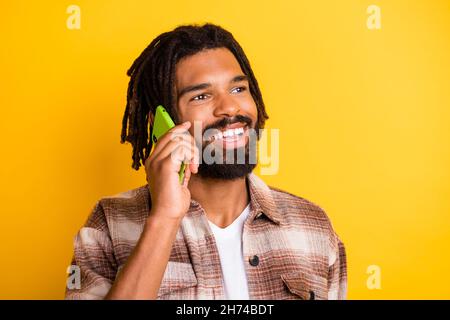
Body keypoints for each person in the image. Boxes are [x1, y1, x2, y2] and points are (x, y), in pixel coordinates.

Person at [65, 23, 347, 300]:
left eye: (238, 89)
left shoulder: (313, 226)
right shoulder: (109, 225)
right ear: (165, 123)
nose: (230, 108)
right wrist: (164, 217)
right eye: (201, 96)